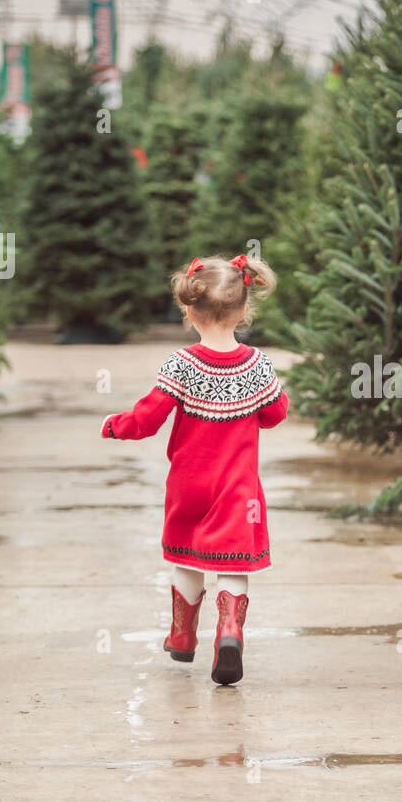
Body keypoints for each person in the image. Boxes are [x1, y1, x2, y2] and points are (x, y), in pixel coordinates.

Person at [101, 254, 287, 685]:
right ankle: (229, 630)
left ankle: (182, 636)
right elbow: (277, 414)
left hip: (188, 484)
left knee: (187, 557)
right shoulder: (257, 365)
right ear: (244, 310)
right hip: (238, 487)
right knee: (233, 564)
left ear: (189, 310)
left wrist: (115, 426)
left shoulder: (181, 364)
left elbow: (147, 418)